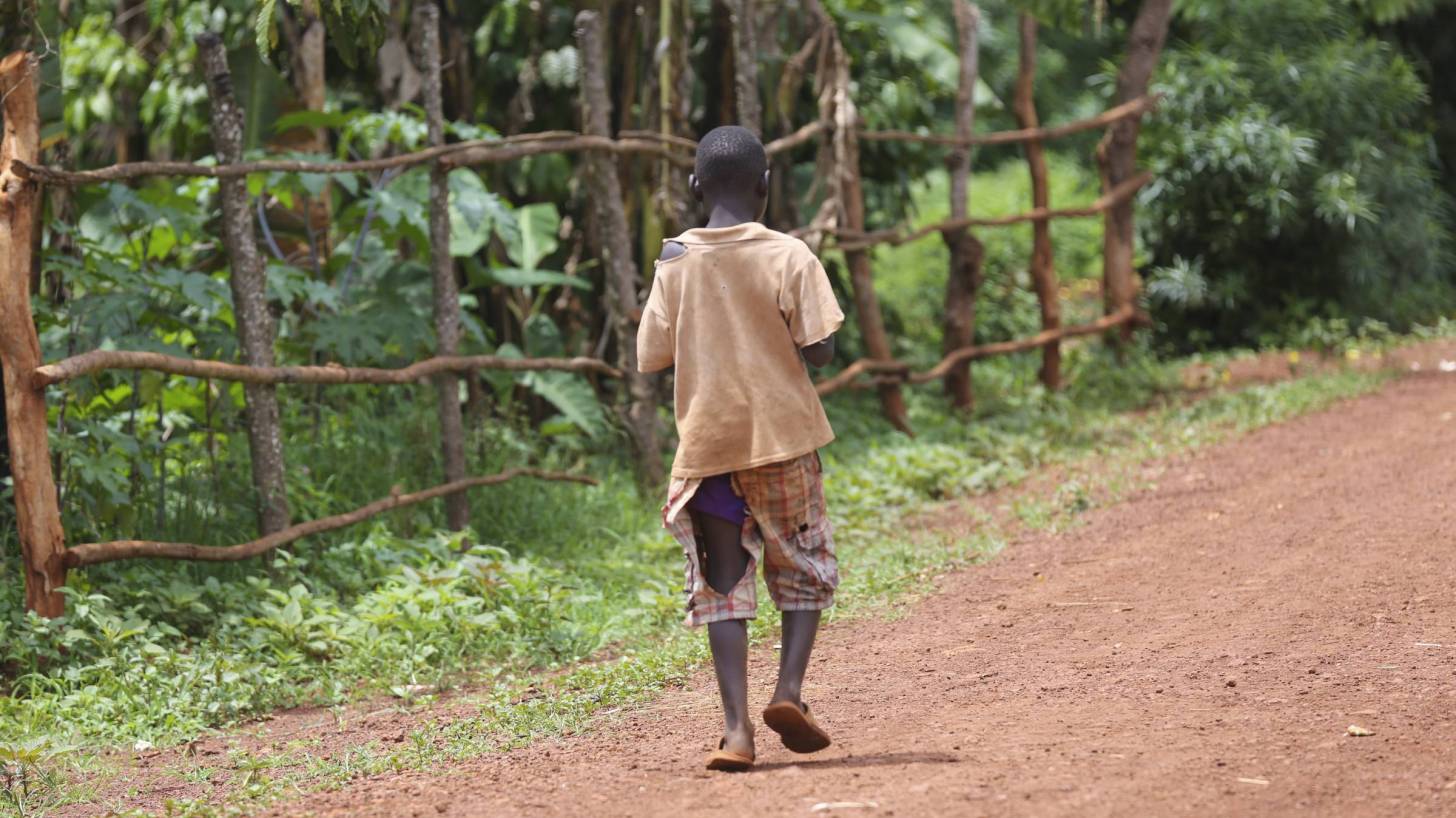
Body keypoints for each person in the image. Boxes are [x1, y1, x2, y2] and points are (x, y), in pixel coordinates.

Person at [637, 125, 844, 772]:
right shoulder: (790, 255)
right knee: (802, 564)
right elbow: (821, 349)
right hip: (783, 441)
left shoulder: (674, 260)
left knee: (723, 583)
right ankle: (789, 693)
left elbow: (653, 355)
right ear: (764, 185)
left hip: (710, 450)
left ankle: (735, 731)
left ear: (696, 186)